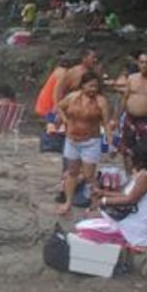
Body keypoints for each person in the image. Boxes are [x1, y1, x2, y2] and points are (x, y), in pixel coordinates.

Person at [80, 140, 147, 247]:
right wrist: (103, 193)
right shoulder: (144, 174)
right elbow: (127, 196)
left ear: (139, 159)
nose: (129, 159)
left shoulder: (146, 177)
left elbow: (130, 199)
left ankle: (118, 240)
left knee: (85, 224)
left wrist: (103, 201)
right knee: (90, 214)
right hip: (134, 217)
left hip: (137, 224)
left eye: (131, 156)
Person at [55, 74, 114, 216]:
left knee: (89, 175)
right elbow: (59, 106)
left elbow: (106, 123)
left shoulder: (101, 101)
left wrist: (111, 143)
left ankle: (94, 204)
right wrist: (65, 120)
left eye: (96, 86)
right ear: (83, 86)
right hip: (72, 140)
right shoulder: (72, 97)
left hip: (90, 142)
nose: (93, 89)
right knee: (72, 173)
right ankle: (68, 202)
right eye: (90, 86)